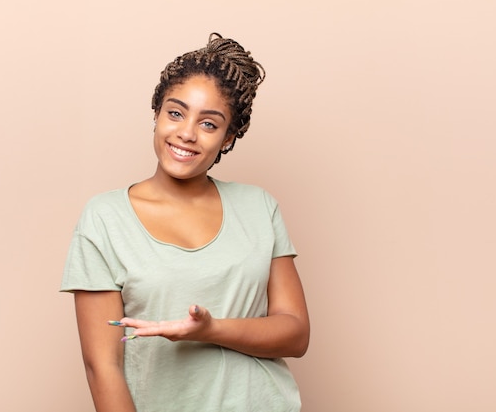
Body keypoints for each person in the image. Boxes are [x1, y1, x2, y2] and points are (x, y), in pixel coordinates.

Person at [61, 33, 310, 412]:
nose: (187, 133)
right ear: (156, 114)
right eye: (175, 113)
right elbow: (102, 367)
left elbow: (295, 334)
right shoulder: (105, 218)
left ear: (227, 139)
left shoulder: (260, 208)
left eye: (209, 124)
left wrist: (211, 330)